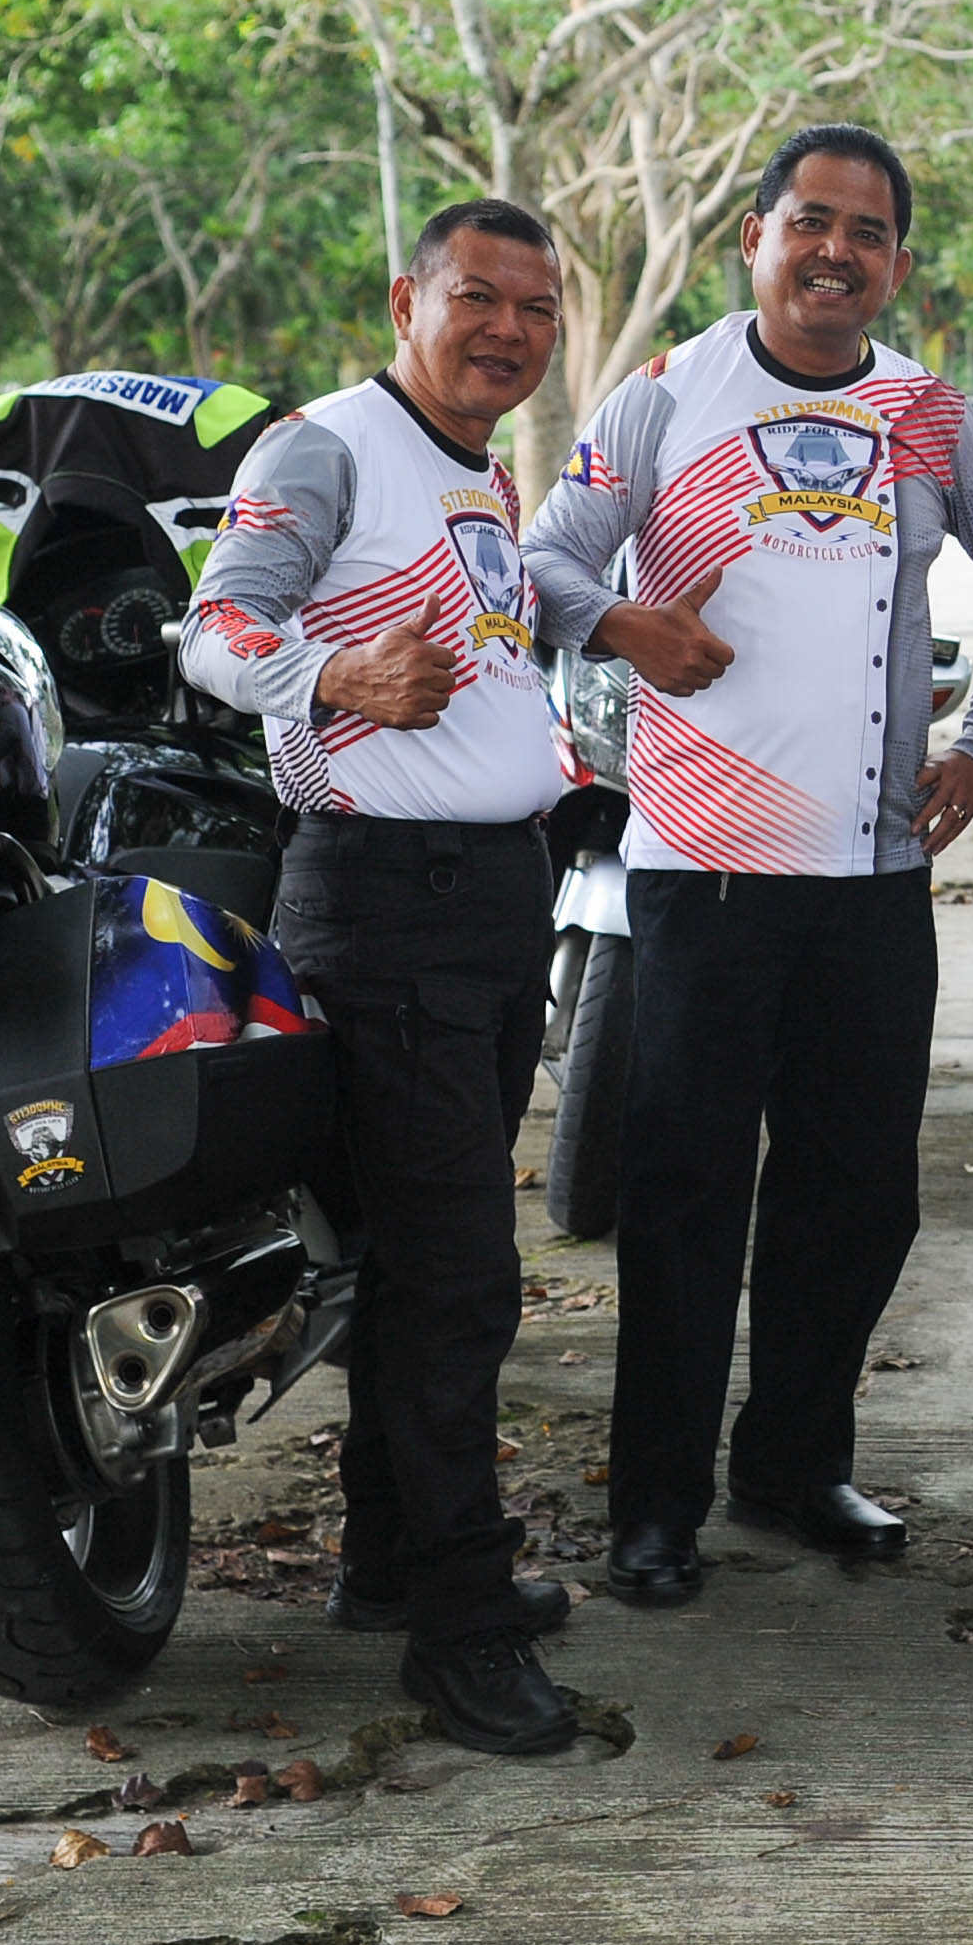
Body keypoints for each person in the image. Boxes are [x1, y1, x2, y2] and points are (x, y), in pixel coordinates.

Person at [527, 123, 973, 1602]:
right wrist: (627, 626)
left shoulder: (928, 414)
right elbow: (544, 563)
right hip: (702, 873)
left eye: (868, 232)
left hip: (874, 879)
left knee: (859, 1193)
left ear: (896, 263)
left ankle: (796, 1464)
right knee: (685, 1193)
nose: (837, 251)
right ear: (754, 237)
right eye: (810, 221)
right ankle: (654, 1506)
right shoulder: (663, 396)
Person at [177, 198, 582, 1757]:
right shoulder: (324, 446)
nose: (508, 331)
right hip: (386, 905)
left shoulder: (478, 468)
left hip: (490, 905)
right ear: (407, 300)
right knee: (461, 1279)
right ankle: (460, 1636)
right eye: (479, 298)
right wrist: (334, 675)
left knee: (418, 1271)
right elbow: (213, 631)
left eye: (535, 309)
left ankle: (391, 1563)